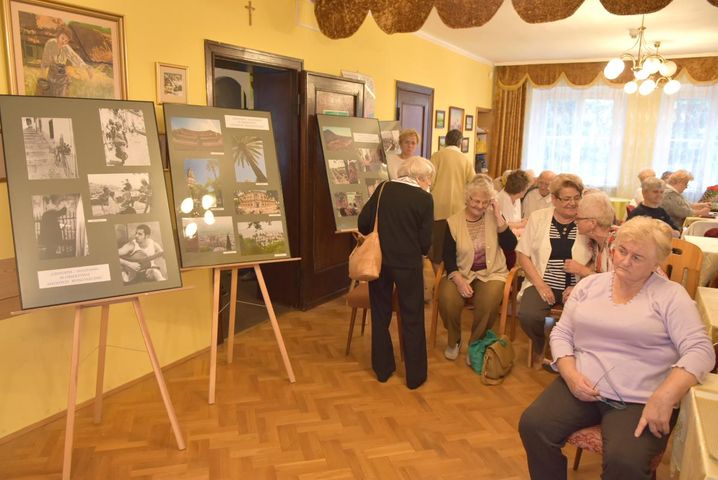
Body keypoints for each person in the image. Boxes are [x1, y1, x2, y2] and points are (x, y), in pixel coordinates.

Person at [519, 216, 715, 480]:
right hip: (581, 385)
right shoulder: (590, 285)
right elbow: (562, 332)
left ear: (656, 263)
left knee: (625, 461)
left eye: (637, 257)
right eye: (622, 250)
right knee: (533, 426)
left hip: (639, 398)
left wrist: (664, 397)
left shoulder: (671, 296)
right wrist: (570, 374)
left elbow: (701, 350)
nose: (624, 261)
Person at [358, 157, 434, 389]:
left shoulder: (383, 189)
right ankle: (415, 377)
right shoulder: (424, 199)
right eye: (428, 179)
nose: (429, 183)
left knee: (380, 315)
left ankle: (382, 370)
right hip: (408, 265)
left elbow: (363, 223)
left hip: (379, 261)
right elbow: (425, 242)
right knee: (412, 317)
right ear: (419, 177)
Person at [438, 175, 517, 364]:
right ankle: (454, 340)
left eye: (485, 202)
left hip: (493, 273)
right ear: (467, 198)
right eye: (476, 201)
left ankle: (476, 344)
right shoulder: (453, 222)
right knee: (447, 298)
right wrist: (458, 279)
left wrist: (498, 215)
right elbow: (448, 255)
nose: (480, 206)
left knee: (488, 302)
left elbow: (511, 245)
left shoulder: (494, 218)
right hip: (461, 272)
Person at [516, 173, 592, 369]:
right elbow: (523, 254)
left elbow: (596, 259)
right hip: (542, 281)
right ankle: (540, 343)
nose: (572, 203)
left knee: (585, 318)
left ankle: (571, 354)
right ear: (554, 199)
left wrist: (580, 279)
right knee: (528, 315)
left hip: (578, 286)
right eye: (566, 198)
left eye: (576, 197)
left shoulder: (586, 220)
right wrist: (541, 285)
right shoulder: (539, 217)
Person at [428, 129, 475, 264]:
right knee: (454, 245)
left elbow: (430, 182)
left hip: (438, 208)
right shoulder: (465, 160)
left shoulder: (437, 156)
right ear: (460, 142)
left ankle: (437, 275)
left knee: (437, 248)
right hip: (458, 209)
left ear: (446, 141)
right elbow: (473, 185)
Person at [565, 191, 617, 279]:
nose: (575, 222)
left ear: (592, 223)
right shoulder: (596, 243)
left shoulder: (618, 243)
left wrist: (582, 270)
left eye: (578, 218)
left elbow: (617, 281)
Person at [37, 26, 93, 97]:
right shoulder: (50, 43)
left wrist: (87, 68)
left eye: (66, 41)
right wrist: (42, 76)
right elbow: (45, 62)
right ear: (58, 35)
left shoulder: (66, 48)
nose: (63, 42)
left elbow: (75, 57)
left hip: (62, 77)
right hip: (52, 75)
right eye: (62, 38)